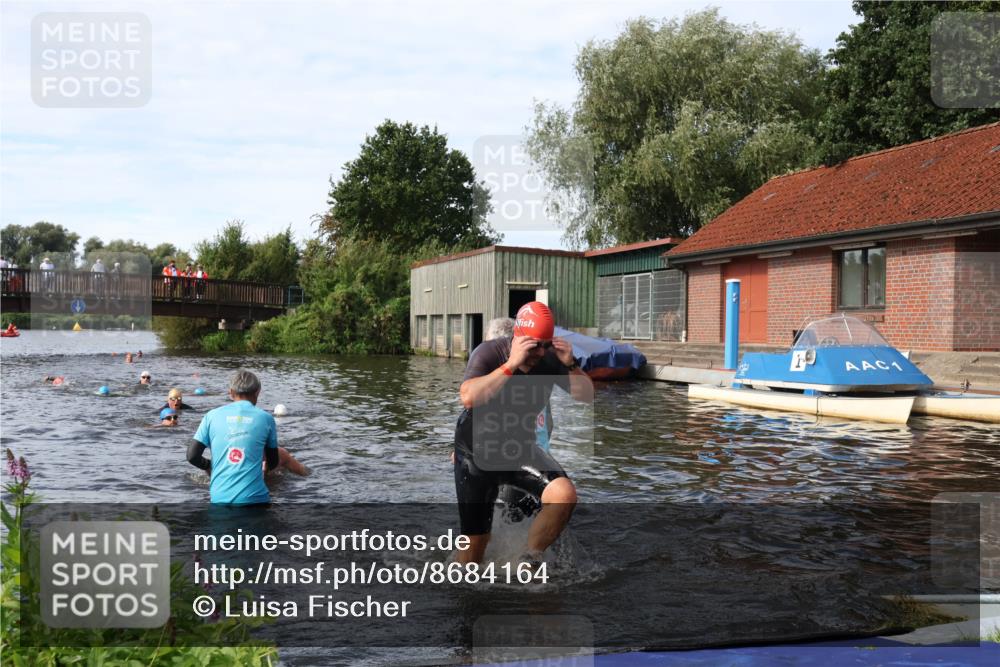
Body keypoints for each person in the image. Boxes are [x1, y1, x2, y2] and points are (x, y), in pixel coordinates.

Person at [452, 302, 593, 565]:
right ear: (518, 337)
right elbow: (468, 397)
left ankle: (527, 560)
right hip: (475, 452)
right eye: (533, 345)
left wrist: (571, 364)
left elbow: (586, 396)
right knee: (473, 551)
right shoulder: (490, 352)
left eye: (544, 345)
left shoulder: (550, 359)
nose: (539, 353)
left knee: (563, 495)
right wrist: (511, 364)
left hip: (518, 448)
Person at [186, 370, 305, 504]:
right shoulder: (266, 418)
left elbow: (192, 456)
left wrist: (210, 466)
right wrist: (264, 471)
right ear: (257, 392)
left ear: (231, 392)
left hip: (219, 500)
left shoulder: (211, 416)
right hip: (256, 501)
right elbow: (273, 462)